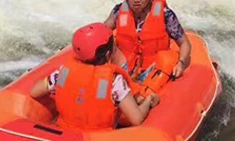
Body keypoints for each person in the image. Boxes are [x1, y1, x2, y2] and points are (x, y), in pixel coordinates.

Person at [29, 23, 159, 130]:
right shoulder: (114, 81)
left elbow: (35, 91)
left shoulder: (63, 72)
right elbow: (136, 119)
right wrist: (149, 101)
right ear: (109, 55)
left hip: (66, 133)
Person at [105, 0, 192, 89]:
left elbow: (184, 43)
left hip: (153, 69)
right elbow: (102, 32)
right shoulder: (118, 11)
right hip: (124, 67)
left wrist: (181, 63)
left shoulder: (165, 14)